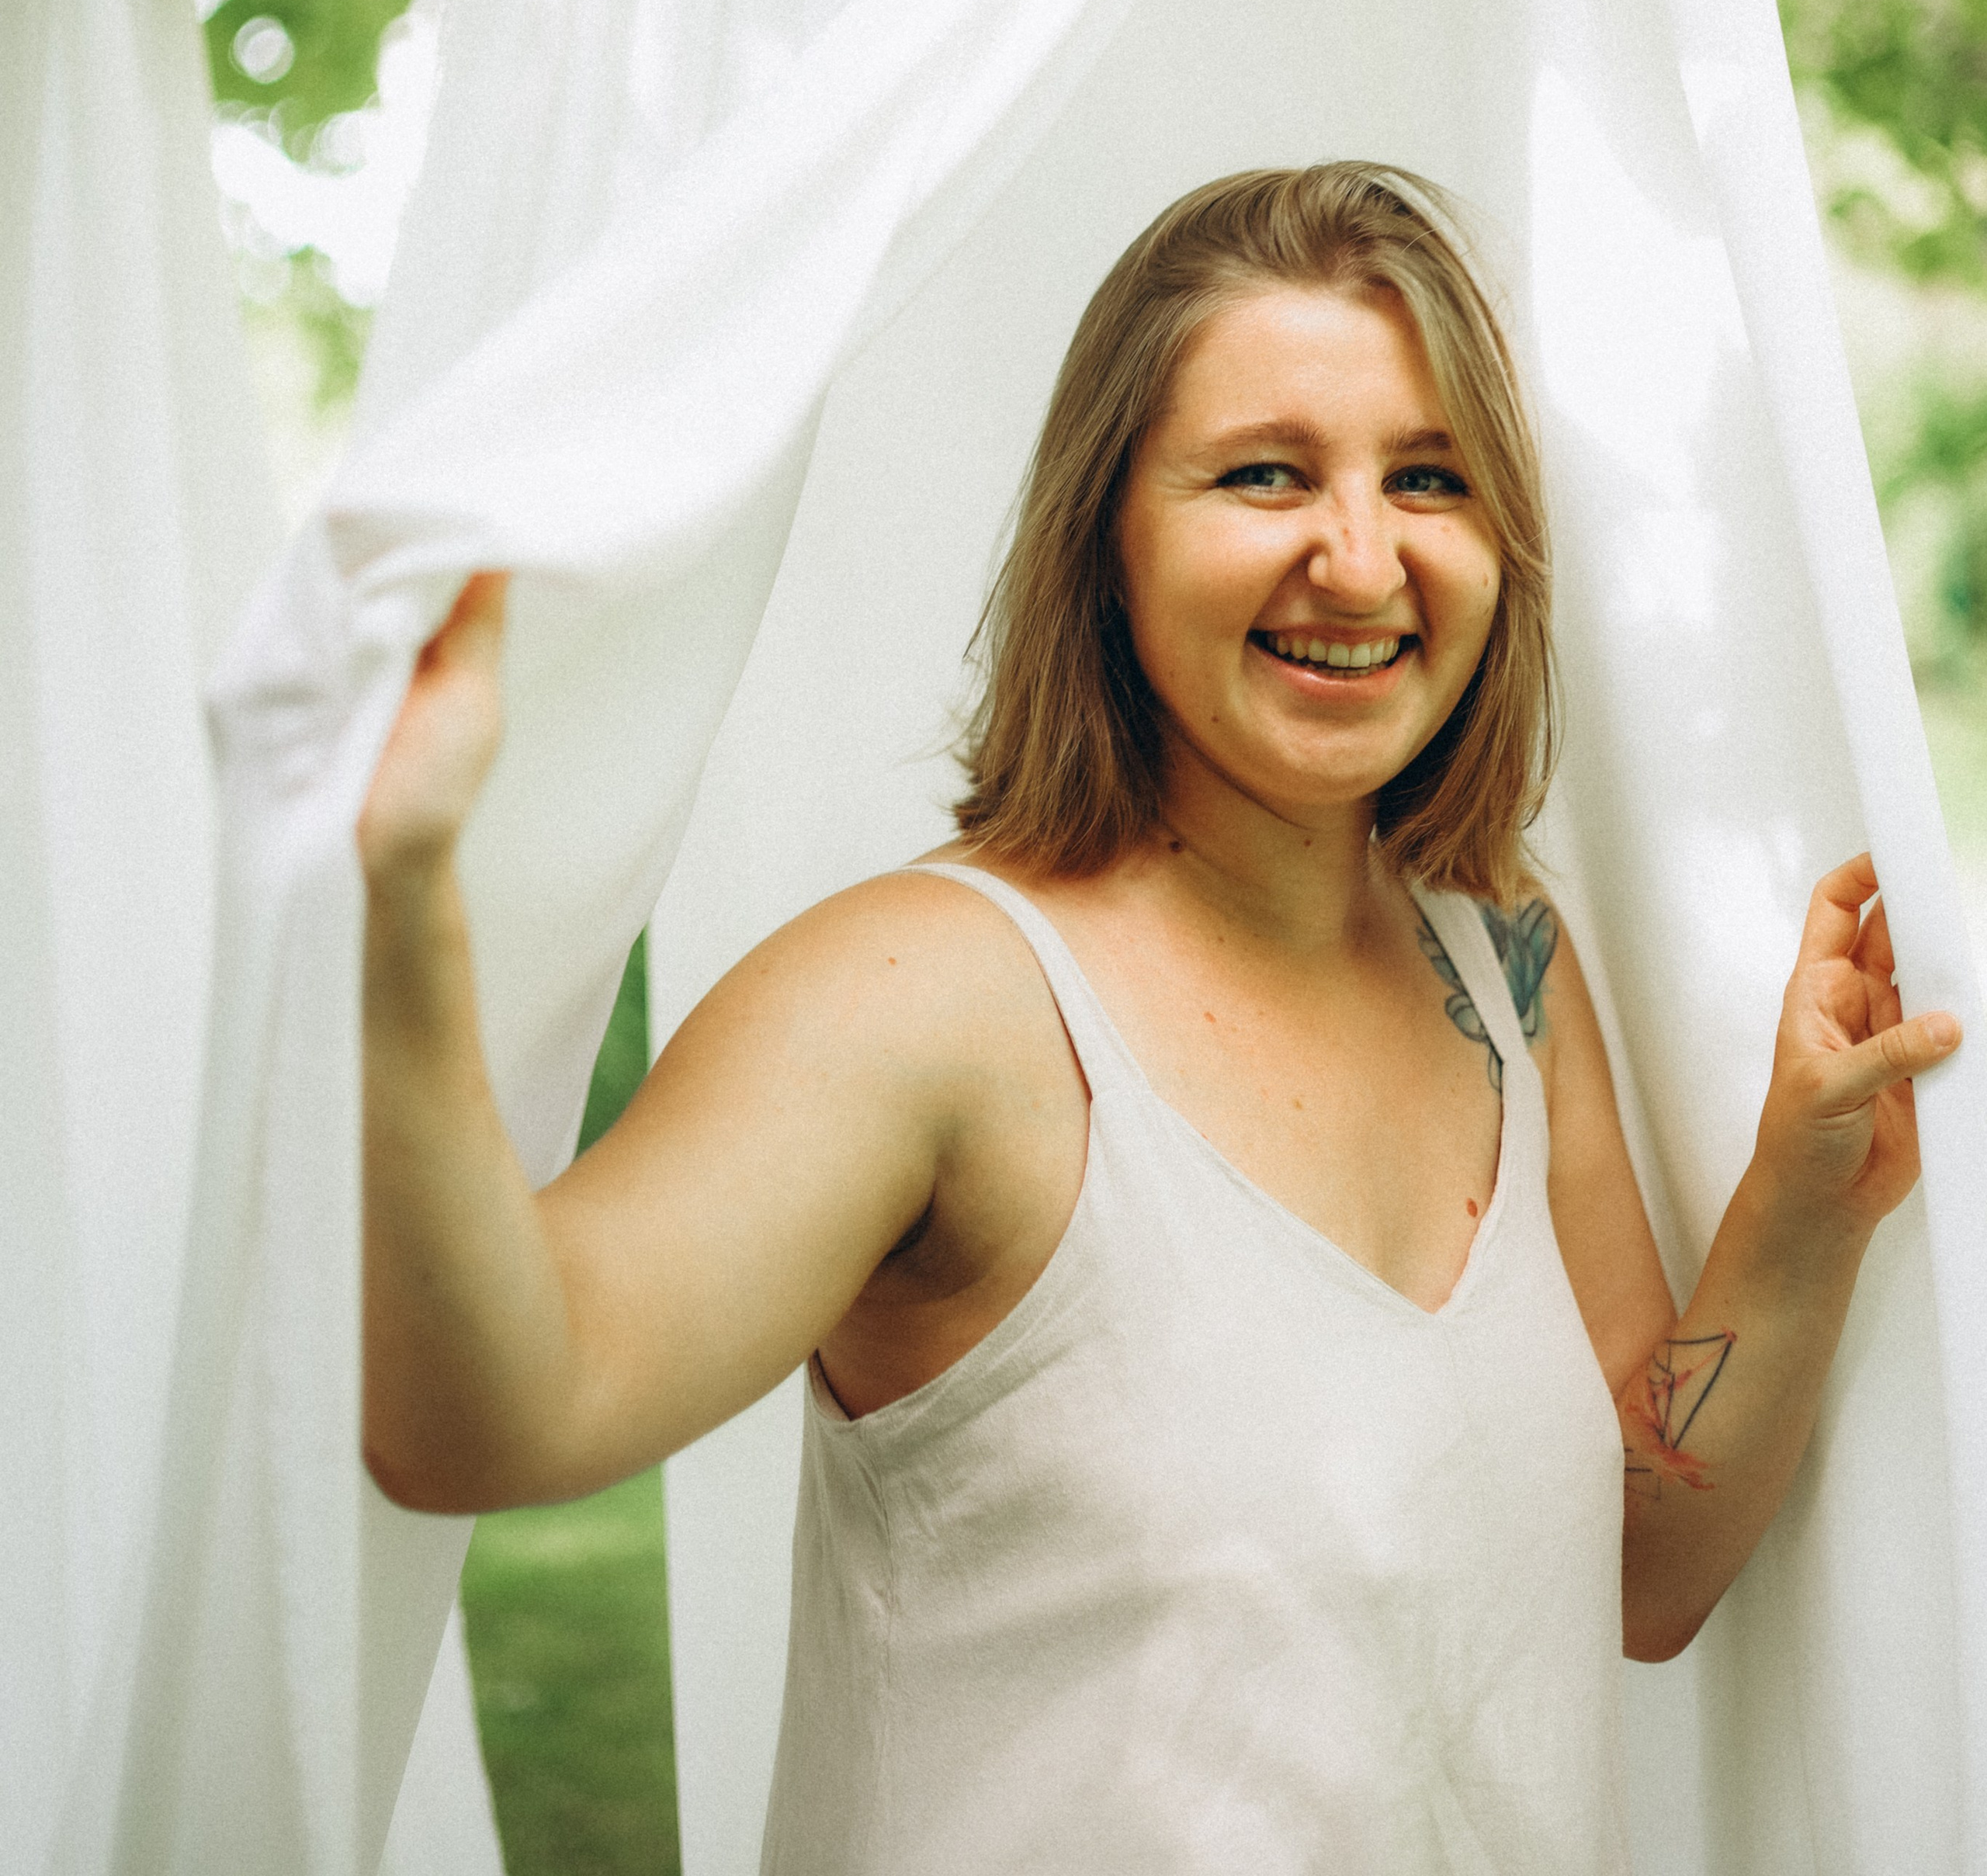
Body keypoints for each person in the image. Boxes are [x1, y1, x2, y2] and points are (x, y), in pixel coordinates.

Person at [360, 161, 1959, 1874]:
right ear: (1104, 532)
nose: (1356, 559)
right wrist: (398, 909)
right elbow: (490, 1415)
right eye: (1262, 473)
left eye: (1428, 477)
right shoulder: (928, 998)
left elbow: (1631, 1569)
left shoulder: (1503, 962)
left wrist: (1799, 1201)